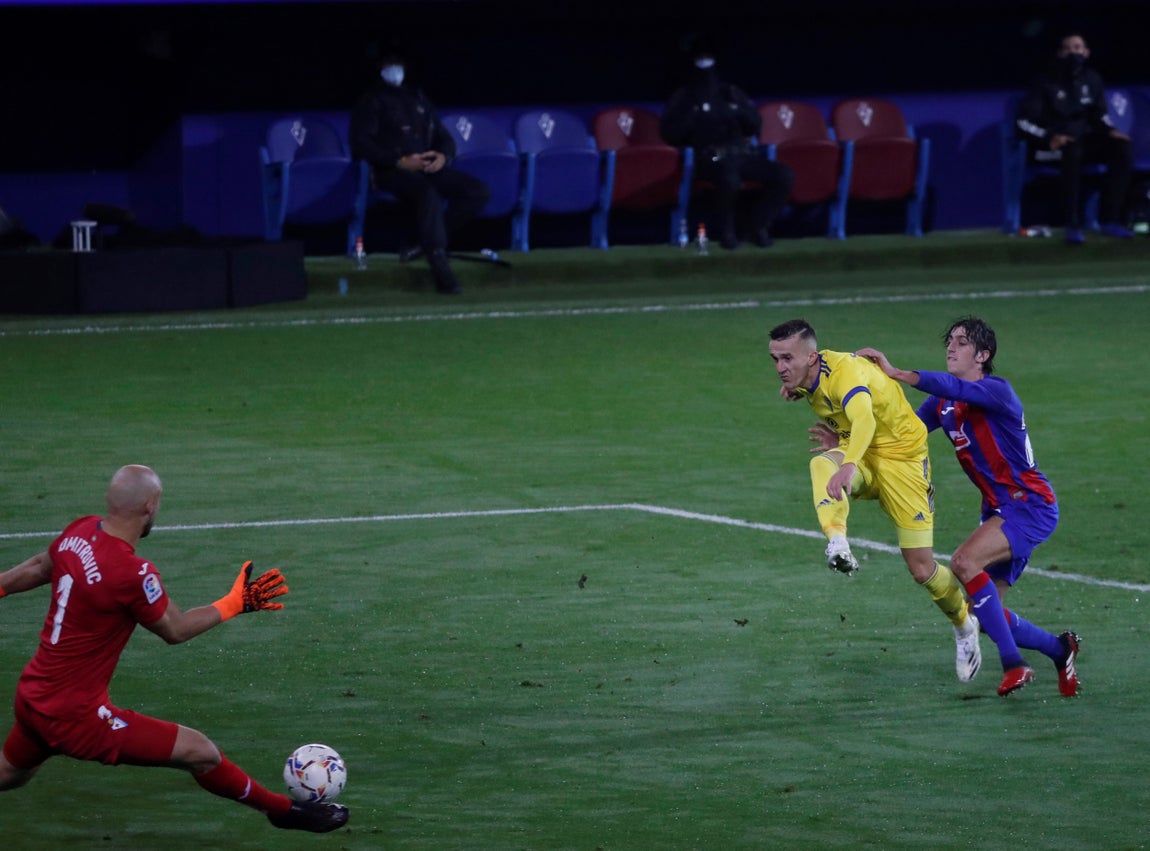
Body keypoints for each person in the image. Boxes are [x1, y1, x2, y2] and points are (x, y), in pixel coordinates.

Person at [0, 465, 349, 832]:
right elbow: (176, 630)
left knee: (10, 773)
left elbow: (41, 565)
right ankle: (283, 812)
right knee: (199, 752)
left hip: (34, 694)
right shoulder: (132, 573)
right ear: (149, 506)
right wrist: (234, 603)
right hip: (75, 716)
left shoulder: (79, 531)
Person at [855, 317, 1080, 698]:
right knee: (987, 618)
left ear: (983, 355)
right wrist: (847, 438)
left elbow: (953, 385)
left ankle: (1015, 664)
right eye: (950, 341)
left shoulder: (997, 391)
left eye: (961, 342)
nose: (951, 348)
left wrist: (896, 373)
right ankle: (1060, 650)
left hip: (1029, 505)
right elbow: (902, 432)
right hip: (997, 511)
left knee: (963, 562)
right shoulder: (945, 403)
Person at [768, 319, 981, 683]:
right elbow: (833, 407)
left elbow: (863, 418)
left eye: (787, 358)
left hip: (904, 463)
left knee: (921, 569)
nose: (780, 368)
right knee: (821, 462)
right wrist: (842, 450)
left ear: (812, 356)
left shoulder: (847, 372)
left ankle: (964, 625)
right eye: (775, 359)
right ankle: (837, 542)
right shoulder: (806, 377)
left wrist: (848, 464)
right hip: (862, 455)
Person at [349, 44, 491, 294]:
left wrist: (443, 156)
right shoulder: (371, 101)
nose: (394, 72)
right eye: (388, 67)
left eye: (398, 66)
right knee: (427, 194)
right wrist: (399, 160)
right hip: (390, 171)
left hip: (426, 167)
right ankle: (439, 263)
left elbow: (444, 138)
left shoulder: (417, 99)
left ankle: (421, 242)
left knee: (476, 191)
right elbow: (361, 145)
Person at [660, 39, 794, 251]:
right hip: (709, 157)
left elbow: (754, 124)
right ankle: (727, 232)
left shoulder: (731, 93)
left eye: (709, 59)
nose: (706, 67)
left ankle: (757, 225)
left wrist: (736, 112)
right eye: (700, 59)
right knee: (728, 178)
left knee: (782, 174)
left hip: (741, 154)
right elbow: (670, 133)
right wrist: (692, 119)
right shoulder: (684, 97)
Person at [1015, 33, 1134, 246]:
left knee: (1122, 147)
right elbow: (1023, 122)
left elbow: (1100, 115)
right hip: (1052, 147)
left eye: (1078, 48)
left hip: (1083, 142)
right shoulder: (1044, 82)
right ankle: (1073, 224)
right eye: (1068, 48)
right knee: (1073, 150)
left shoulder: (1093, 79)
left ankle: (1110, 220)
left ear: (1086, 53)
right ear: (1060, 53)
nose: (1074, 52)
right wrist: (1049, 136)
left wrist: (1110, 130)